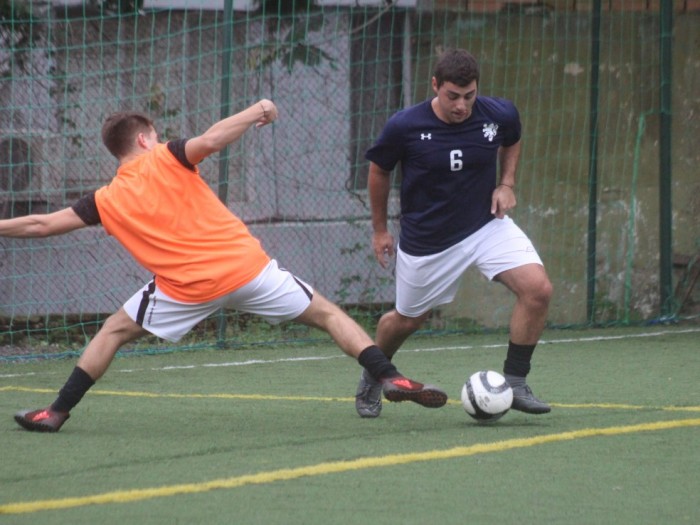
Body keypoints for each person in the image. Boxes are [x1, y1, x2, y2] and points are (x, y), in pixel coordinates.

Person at [3, 100, 447, 433]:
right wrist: (257, 109)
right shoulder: (167, 156)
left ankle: (55, 412)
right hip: (248, 270)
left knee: (114, 331)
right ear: (144, 139)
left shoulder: (102, 200)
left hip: (185, 289)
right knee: (329, 314)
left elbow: (42, 225)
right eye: (155, 135)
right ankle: (390, 376)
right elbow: (213, 139)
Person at [355, 49, 553, 418]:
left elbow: (512, 139)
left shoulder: (499, 114)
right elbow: (378, 171)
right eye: (452, 96)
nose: (462, 105)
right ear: (434, 86)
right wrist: (380, 230)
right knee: (407, 320)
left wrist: (507, 183)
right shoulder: (404, 126)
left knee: (537, 290)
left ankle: (517, 382)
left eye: (469, 96)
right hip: (429, 240)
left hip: (485, 224)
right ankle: (373, 374)